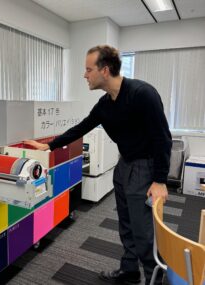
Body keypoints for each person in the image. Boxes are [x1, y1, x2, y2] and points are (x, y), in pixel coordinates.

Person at [24, 45, 172, 285]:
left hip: (146, 168)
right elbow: (82, 126)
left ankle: (153, 278)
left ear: (105, 70)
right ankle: (130, 271)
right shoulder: (105, 104)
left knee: (143, 230)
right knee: (125, 224)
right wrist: (50, 146)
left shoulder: (142, 94)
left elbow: (163, 138)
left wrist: (159, 180)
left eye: (88, 69)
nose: (84, 75)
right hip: (124, 165)